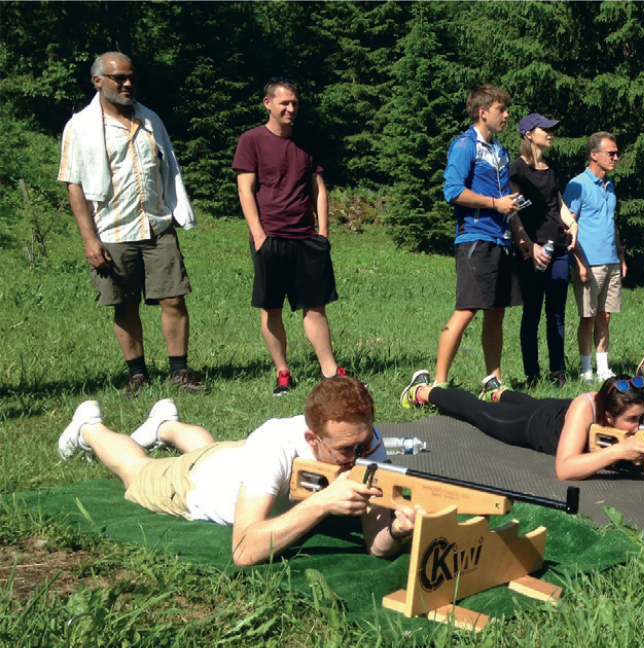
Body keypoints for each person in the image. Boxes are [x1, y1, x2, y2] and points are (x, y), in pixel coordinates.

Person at [57, 377, 422, 567]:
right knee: (137, 471)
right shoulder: (275, 443)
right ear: (312, 438)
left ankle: (165, 424)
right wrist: (321, 503)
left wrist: (397, 531)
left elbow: (376, 546)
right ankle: (89, 427)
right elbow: (244, 550)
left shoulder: (366, 442)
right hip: (197, 484)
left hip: (233, 458)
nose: (357, 458)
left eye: (363, 444)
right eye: (345, 450)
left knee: (207, 448)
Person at [58, 52, 205, 397]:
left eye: (131, 77)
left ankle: (179, 371)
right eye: (119, 78)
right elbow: (74, 185)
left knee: (174, 299)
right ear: (98, 81)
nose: (128, 84)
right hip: (112, 230)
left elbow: (168, 166)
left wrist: (175, 210)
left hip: (156, 225)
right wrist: (89, 240)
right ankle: (138, 374)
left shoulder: (149, 119)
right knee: (124, 304)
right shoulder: (80, 126)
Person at [233, 77, 348, 396]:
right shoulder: (251, 140)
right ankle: (282, 372)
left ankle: (329, 370)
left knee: (316, 306)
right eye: (284, 102)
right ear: (267, 103)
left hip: (306, 237)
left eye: (294, 103)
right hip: (270, 237)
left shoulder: (306, 141)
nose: (291, 108)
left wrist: (323, 233)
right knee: (271, 308)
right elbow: (245, 190)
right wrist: (259, 235)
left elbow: (318, 188)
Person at [399, 369, 644, 482]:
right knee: (482, 413)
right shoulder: (587, 407)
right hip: (537, 425)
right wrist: (617, 452)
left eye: (641, 417)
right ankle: (423, 390)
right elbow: (564, 469)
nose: (638, 426)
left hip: (555, 409)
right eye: (631, 420)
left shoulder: (642, 414)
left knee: (527, 402)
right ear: (607, 417)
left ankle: (497, 391)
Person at [435, 85, 533, 390]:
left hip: (502, 240)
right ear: (482, 112)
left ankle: (494, 382)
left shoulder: (499, 150)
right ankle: (438, 385)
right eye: (500, 109)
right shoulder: (465, 145)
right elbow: (453, 191)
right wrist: (494, 204)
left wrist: (521, 236)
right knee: (466, 311)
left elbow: (506, 201)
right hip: (475, 239)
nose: (507, 115)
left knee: (496, 313)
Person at [509, 113, 577, 388]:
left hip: (558, 248)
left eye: (551, 129)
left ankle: (557, 372)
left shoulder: (550, 169)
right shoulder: (517, 169)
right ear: (528, 134)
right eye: (544, 129)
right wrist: (528, 243)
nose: (550, 133)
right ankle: (532, 375)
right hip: (532, 250)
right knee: (533, 312)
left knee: (557, 312)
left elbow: (557, 204)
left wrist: (573, 224)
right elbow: (513, 211)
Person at [564, 132, 627, 383]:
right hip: (588, 262)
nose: (616, 157)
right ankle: (585, 369)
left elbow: (612, 223)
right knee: (588, 317)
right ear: (594, 155)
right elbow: (568, 226)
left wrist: (620, 256)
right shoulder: (577, 185)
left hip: (611, 261)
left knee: (605, 316)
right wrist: (579, 262)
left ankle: (603, 368)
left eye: (616, 153)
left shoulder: (609, 185)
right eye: (611, 153)